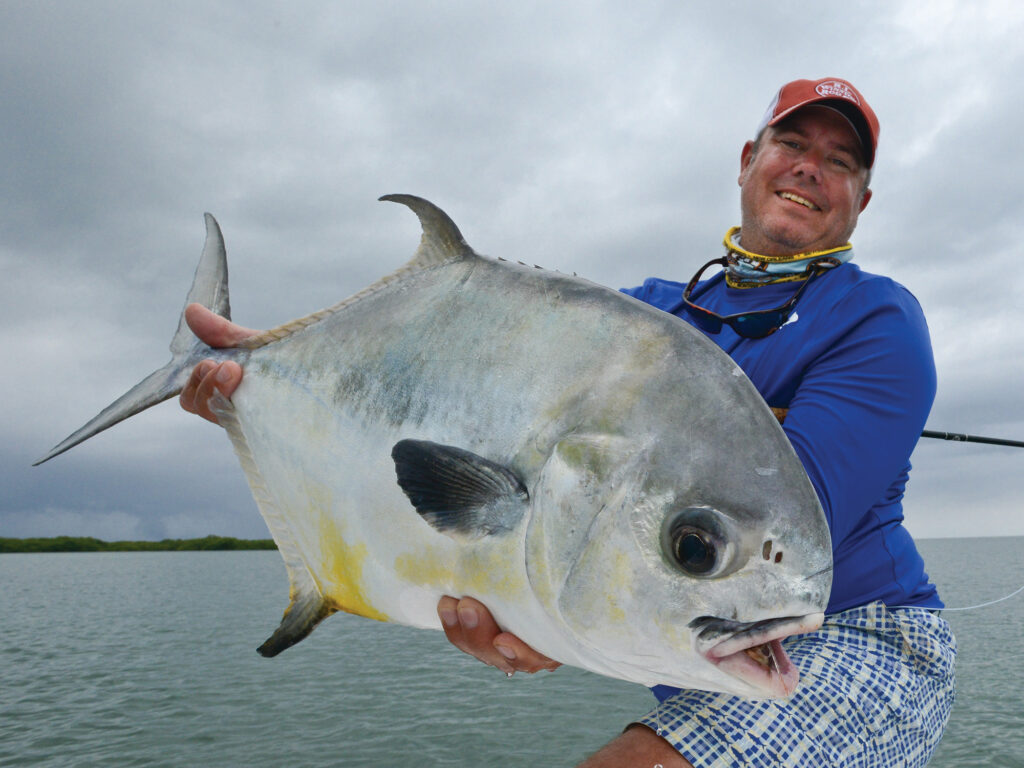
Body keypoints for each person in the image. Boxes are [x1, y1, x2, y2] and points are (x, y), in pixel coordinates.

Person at [180, 78, 956, 767]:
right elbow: (470, 395)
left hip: (869, 642)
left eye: (842, 161)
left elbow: (777, 517)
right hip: (708, 654)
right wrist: (267, 378)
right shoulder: (646, 315)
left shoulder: (878, 320)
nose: (811, 167)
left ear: (862, 199)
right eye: (792, 142)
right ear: (749, 157)